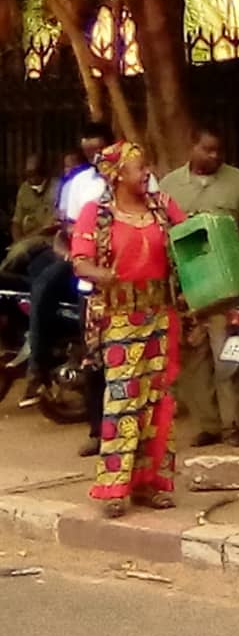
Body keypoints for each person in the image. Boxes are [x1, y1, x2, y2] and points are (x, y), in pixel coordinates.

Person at [69, 142, 186, 518]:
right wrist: (105, 275)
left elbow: (191, 244)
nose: (146, 172)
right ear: (116, 175)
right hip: (119, 317)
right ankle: (114, 488)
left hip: (160, 315)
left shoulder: (163, 208)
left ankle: (152, 484)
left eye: (147, 165)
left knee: (157, 400)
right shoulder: (97, 214)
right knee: (122, 400)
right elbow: (80, 263)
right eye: (138, 167)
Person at [161, 126, 239, 448]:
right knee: (193, 358)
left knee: (228, 357)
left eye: (217, 151)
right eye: (207, 149)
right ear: (191, 147)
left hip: (227, 287)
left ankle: (233, 425)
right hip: (186, 288)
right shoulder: (169, 186)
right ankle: (208, 423)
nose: (214, 156)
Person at [21, 126, 114, 464]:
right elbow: (65, 229)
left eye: (99, 150)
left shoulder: (137, 180)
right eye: (88, 151)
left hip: (129, 282)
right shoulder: (79, 185)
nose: (95, 158)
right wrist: (76, 251)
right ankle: (95, 430)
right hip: (87, 275)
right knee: (94, 360)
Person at [2, 154, 59, 271]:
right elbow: (16, 222)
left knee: (21, 249)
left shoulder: (58, 187)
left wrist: (22, 241)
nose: (31, 178)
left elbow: (49, 227)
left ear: (44, 171)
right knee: (18, 249)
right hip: (26, 238)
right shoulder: (24, 188)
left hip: (47, 238)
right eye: (28, 174)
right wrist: (17, 240)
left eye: (35, 173)